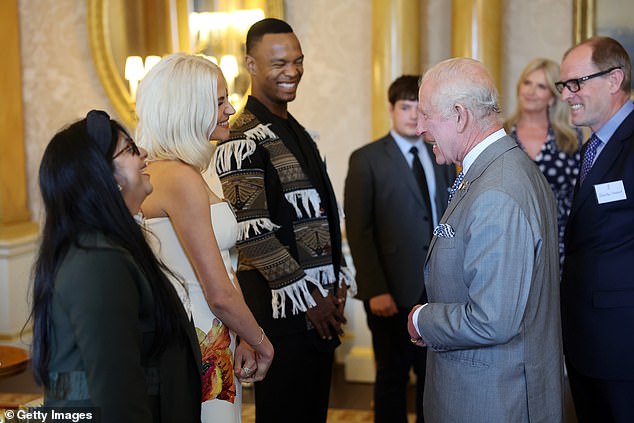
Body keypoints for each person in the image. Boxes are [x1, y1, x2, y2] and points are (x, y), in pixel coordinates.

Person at [213, 18, 355, 423]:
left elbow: (323, 212)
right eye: (278, 63)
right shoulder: (241, 136)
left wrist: (339, 278)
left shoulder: (296, 130)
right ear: (250, 65)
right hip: (281, 315)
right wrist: (310, 297)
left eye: (297, 61)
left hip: (320, 311)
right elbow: (252, 233)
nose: (291, 71)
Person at [407, 57, 564, 422]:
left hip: (492, 399)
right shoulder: (493, 169)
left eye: (426, 115)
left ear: (460, 115)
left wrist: (422, 319)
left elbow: (492, 319)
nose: (420, 128)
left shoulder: (498, 188)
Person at [30, 110, 202, 422]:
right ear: (105, 176)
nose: (145, 153)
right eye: (131, 149)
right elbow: (117, 396)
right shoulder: (98, 261)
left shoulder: (111, 246)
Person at [135, 53, 274, 423]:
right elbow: (217, 290)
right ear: (188, 108)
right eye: (218, 101)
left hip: (215, 331)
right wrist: (261, 341)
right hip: (198, 337)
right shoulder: (179, 179)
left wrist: (242, 335)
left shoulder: (190, 170)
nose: (230, 108)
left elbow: (227, 267)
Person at [344, 75, 454, 423]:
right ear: (391, 109)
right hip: (391, 288)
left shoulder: (443, 153)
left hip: (437, 286)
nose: (412, 116)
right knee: (392, 375)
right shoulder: (367, 159)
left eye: (420, 108)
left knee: (433, 376)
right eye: (405, 107)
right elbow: (359, 230)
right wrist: (376, 289)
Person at [557, 36, 634, 423]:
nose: (567, 95)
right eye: (564, 85)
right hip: (587, 341)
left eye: (577, 83)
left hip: (623, 345)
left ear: (614, 79)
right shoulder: (592, 147)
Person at [504, 58, 583, 269]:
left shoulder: (570, 138)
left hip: (558, 242)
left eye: (541, 86)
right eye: (527, 83)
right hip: (508, 239)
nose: (531, 91)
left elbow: (579, 194)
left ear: (552, 97)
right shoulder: (500, 134)